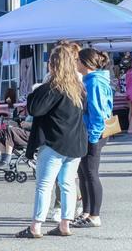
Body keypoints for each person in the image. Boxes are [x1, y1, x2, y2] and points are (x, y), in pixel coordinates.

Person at [16, 43, 87, 238]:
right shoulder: (78, 87)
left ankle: (35, 226)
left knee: (44, 185)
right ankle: (65, 224)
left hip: (54, 142)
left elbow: (35, 109)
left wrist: (34, 92)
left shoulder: (53, 87)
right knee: (68, 184)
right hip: (75, 143)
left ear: (53, 64)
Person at [73, 49, 114, 229]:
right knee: (83, 173)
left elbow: (98, 112)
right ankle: (87, 211)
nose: (75, 63)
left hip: (93, 132)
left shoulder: (94, 82)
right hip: (90, 131)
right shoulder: (92, 80)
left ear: (85, 63)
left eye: (77, 60)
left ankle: (95, 215)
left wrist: (93, 137)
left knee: (90, 173)